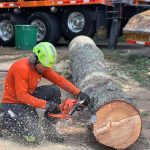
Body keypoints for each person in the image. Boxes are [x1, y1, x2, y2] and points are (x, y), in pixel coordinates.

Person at [1, 42, 90, 144]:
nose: (45, 69)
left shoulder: (41, 67)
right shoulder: (21, 68)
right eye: (44, 66)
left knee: (54, 90)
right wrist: (46, 105)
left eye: (47, 67)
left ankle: (49, 128)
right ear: (34, 59)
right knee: (34, 138)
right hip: (13, 103)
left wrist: (78, 93)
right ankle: (4, 119)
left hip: (28, 98)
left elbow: (59, 80)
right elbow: (21, 96)